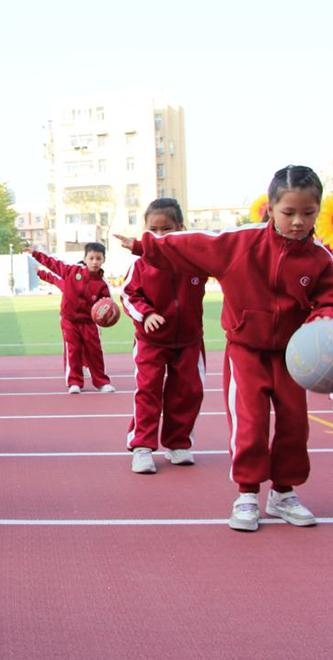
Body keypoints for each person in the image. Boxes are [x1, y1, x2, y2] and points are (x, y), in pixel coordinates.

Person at [114, 165, 333, 532]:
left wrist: (321, 321)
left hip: (293, 357)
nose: (299, 221)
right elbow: (192, 245)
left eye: (308, 213)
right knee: (249, 423)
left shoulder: (320, 259)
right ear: (271, 209)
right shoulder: (241, 243)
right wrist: (144, 246)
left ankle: (283, 493)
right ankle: (247, 494)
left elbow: (330, 300)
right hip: (246, 351)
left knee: (295, 426)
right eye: (289, 213)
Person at [120, 199, 206, 474]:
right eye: (153, 229)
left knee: (187, 393)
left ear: (181, 228)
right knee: (148, 392)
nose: (159, 236)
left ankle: (178, 443)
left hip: (190, 340)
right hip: (151, 341)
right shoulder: (141, 263)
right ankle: (142, 446)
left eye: (166, 229)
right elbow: (128, 294)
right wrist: (146, 314)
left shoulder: (197, 260)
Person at [26, 243, 115, 393]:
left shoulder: (102, 284)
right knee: (73, 350)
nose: (95, 262)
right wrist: (36, 254)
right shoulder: (72, 271)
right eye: (91, 258)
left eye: (98, 258)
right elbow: (53, 264)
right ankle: (75, 382)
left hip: (89, 322)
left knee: (95, 351)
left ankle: (101, 382)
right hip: (69, 320)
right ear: (85, 259)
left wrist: (107, 317)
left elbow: (108, 305)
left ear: (103, 260)